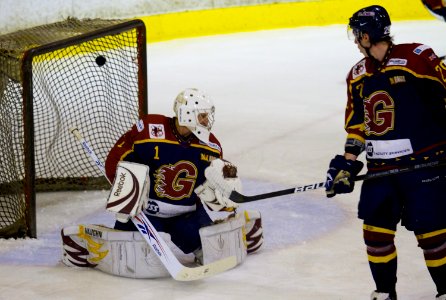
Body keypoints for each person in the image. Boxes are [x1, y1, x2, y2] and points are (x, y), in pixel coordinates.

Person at [61, 88, 263, 278]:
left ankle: (235, 234)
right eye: (202, 115)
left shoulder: (211, 146)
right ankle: (89, 238)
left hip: (187, 214)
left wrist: (225, 189)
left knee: (216, 251)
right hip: (145, 213)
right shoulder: (150, 130)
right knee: (140, 259)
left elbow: (208, 184)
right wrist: (127, 188)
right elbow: (115, 161)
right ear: (187, 115)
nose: (206, 120)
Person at [324, 5, 446, 300]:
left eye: (357, 34)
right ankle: (384, 293)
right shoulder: (357, 75)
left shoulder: (417, 59)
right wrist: (347, 164)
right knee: (375, 234)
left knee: (432, 234)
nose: (355, 40)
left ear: (366, 35)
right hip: (381, 169)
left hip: (424, 165)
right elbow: (357, 127)